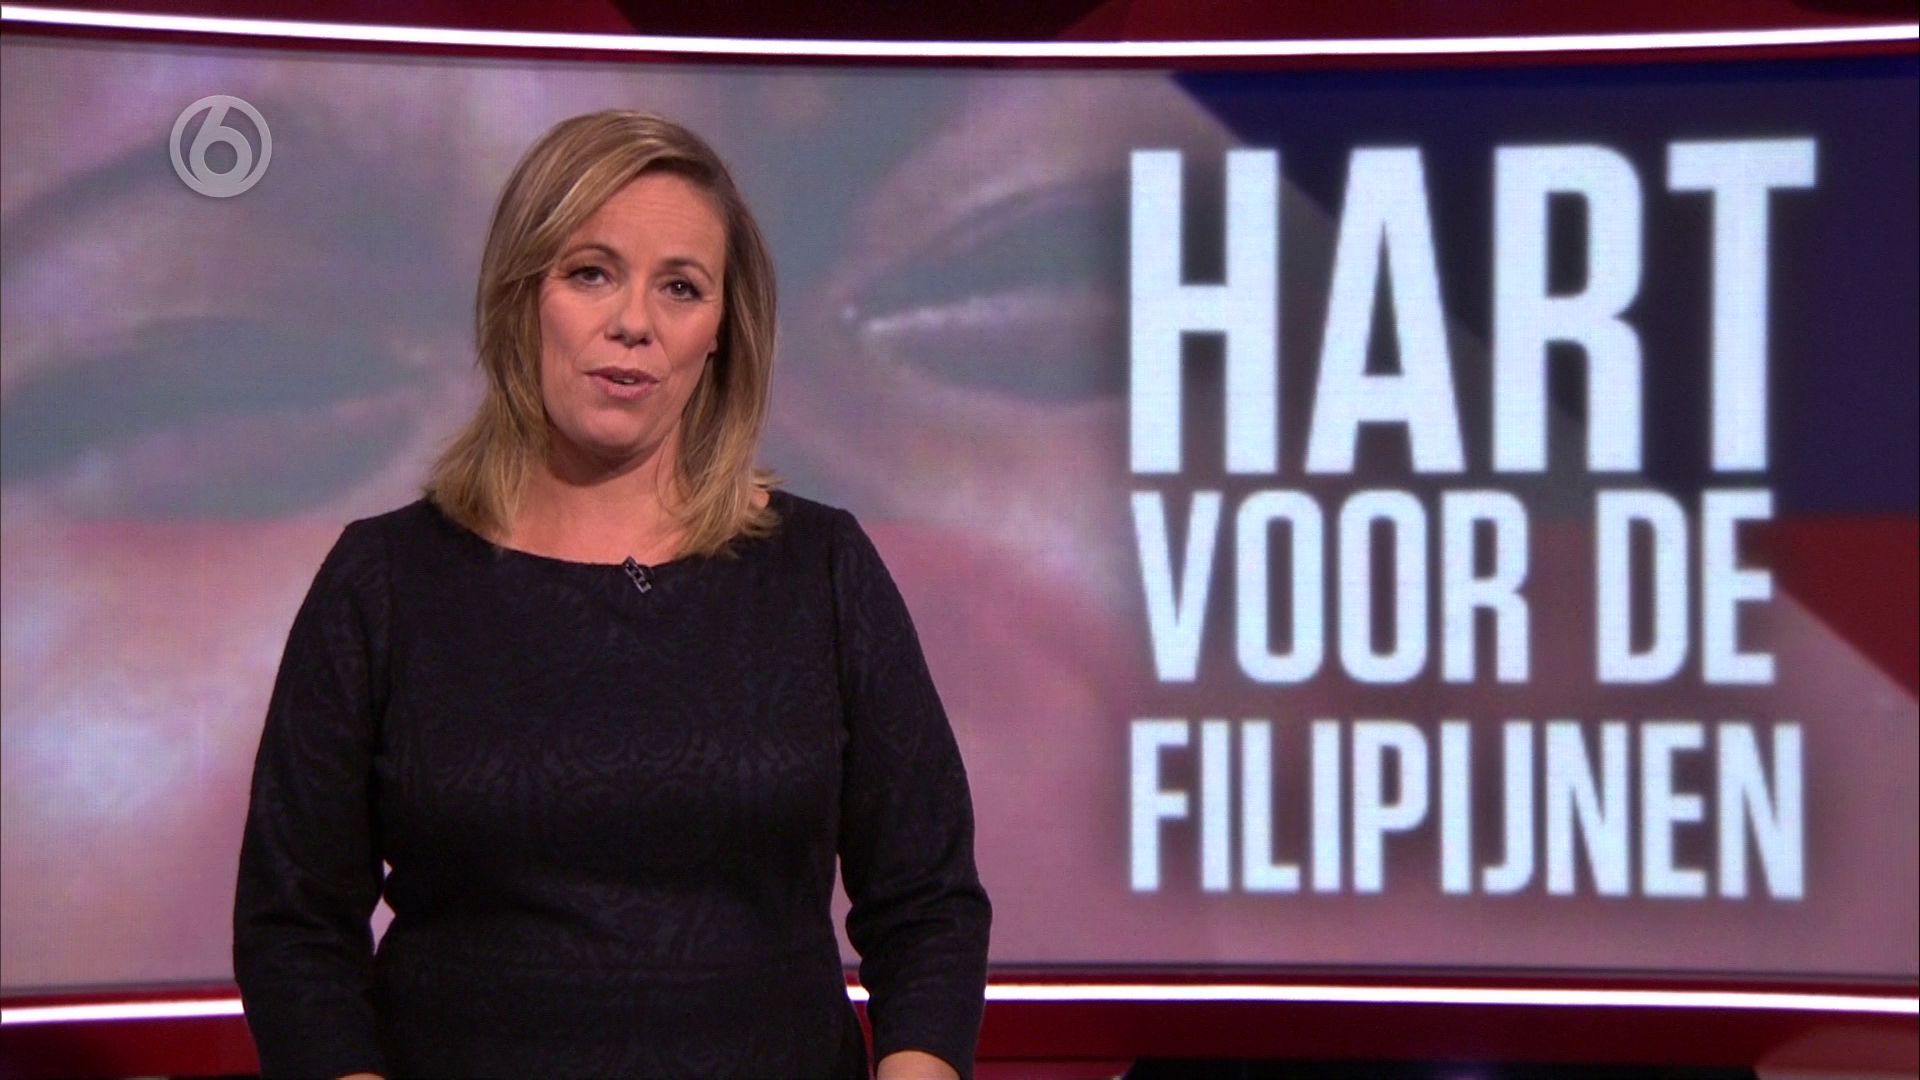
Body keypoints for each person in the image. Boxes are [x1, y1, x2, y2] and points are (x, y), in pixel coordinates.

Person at [230, 110, 990, 1078]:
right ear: (521, 297)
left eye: (681, 287)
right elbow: (295, 925)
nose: (635, 321)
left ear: (720, 333)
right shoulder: (384, 581)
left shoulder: (822, 568)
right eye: (591, 273)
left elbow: (927, 900)